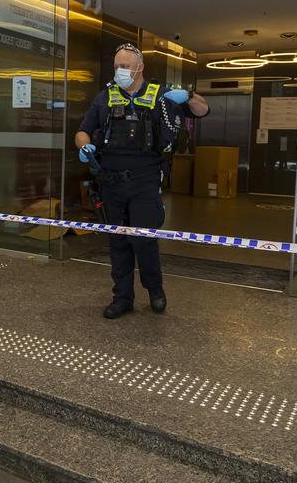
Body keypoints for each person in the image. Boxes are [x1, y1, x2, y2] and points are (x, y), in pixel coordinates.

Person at [75, 43, 209, 319]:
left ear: (140, 67)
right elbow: (83, 131)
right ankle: (122, 297)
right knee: (118, 242)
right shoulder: (105, 97)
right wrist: (84, 146)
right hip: (111, 182)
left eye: (125, 66)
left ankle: (155, 290)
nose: (120, 71)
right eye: (116, 67)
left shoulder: (162, 96)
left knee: (143, 240)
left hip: (145, 181)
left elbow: (203, 110)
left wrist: (188, 96)